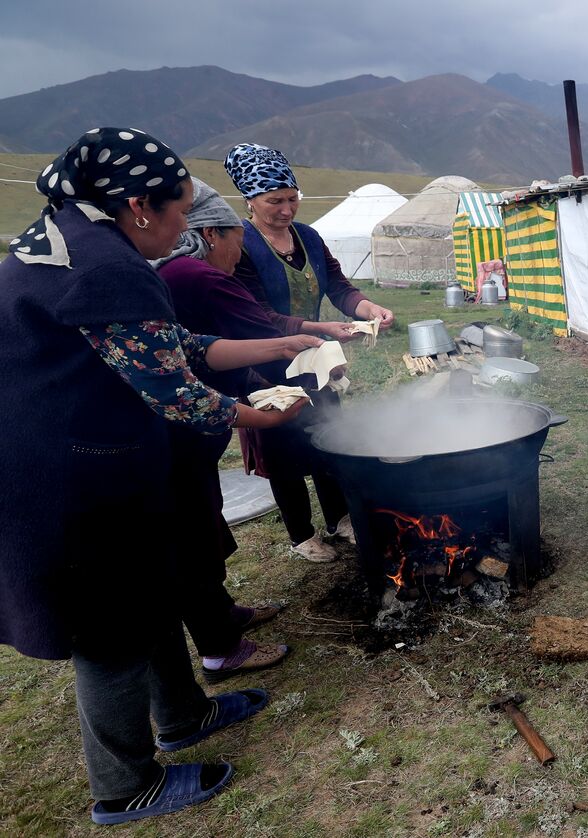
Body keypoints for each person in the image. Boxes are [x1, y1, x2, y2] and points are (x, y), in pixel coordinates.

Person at [0, 128, 319, 824]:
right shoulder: (103, 262)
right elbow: (174, 390)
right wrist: (256, 416)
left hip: (92, 466)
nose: (184, 232)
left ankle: (181, 715)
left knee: (146, 595)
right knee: (109, 628)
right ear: (140, 205)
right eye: (180, 215)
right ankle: (124, 787)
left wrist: (281, 342)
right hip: (62, 482)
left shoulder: (77, 239)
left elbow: (160, 342)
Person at [155, 178, 358, 680]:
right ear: (215, 234)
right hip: (178, 432)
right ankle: (221, 649)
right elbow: (258, 325)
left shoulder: (182, 270)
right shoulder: (197, 274)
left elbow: (198, 345)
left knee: (204, 524)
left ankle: (224, 616)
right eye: (236, 243)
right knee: (195, 534)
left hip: (214, 408)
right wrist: (302, 344)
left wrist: (270, 360)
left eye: (294, 198)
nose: (237, 254)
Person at [224, 143, 393, 561]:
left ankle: (339, 517)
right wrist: (322, 328)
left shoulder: (310, 238)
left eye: (292, 198)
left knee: (330, 436)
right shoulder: (238, 245)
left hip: (317, 363)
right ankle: (301, 534)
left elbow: (338, 287)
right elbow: (255, 313)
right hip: (265, 366)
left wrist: (367, 308)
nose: (286, 209)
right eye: (274, 201)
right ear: (250, 200)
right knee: (283, 451)